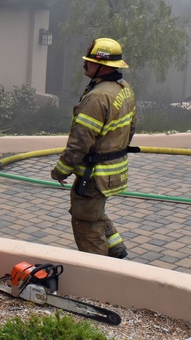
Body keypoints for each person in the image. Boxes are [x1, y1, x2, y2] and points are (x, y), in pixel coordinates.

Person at [50, 37, 136, 259]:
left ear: (102, 65)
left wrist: (60, 170)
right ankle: (116, 250)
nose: (84, 64)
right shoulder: (123, 88)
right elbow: (131, 126)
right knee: (95, 212)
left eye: (89, 61)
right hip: (112, 170)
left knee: (85, 220)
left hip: (95, 174)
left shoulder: (97, 97)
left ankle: (98, 271)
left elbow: (80, 142)